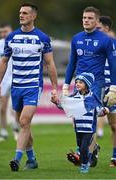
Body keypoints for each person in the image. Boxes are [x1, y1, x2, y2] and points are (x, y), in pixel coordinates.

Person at [0, 3, 58, 171]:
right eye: (20, 12)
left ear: (33, 16)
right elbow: (4, 61)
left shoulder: (42, 38)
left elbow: (50, 63)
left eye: (25, 13)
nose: (21, 15)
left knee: (23, 121)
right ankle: (32, 159)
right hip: (16, 87)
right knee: (23, 125)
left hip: (33, 86)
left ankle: (17, 158)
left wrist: (54, 87)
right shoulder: (11, 37)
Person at [62, 6, 116, 167]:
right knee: (78, 121)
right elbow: (72, 62)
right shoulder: (76, 38)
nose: (86, 20)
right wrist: (66, 84)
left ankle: (87, 154)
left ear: (97, 21)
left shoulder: (106, 40)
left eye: (90, 18)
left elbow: (113, 64)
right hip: (79, 84)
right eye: (84, 17)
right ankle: (90, 151)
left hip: (97, 84)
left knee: (93, 119)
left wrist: (113, 87)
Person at [61, 72, 108, 173]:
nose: (77, 84)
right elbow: (66, 105)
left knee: (83, 148)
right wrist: (56, 102)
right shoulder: (74, 96)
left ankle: (84, 165)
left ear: (87, 85)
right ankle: (93, 150)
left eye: (81, 82)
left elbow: (98, 111)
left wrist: (104, 111)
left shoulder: (92, 97)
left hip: (89, 129)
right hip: (78, 128)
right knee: (80, 145)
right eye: (76, 82)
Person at [0, 23, 19, 141]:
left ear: (11, 30)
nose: (3, 34)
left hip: (16, 77)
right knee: (2, 107)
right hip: (3, 79)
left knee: (17, 106)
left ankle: (16, 124)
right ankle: (3, 132)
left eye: (5, 31)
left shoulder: (17, 42)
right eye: (1, 32)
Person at [97, 16, 116, 167]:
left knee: (114, 125)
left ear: (106, 29)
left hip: (112, 89)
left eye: (99, 28)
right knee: (88, 122)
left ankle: (115, 156)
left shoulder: (114, 45)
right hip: (97, 88)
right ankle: (88, 153)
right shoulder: (91, 44)